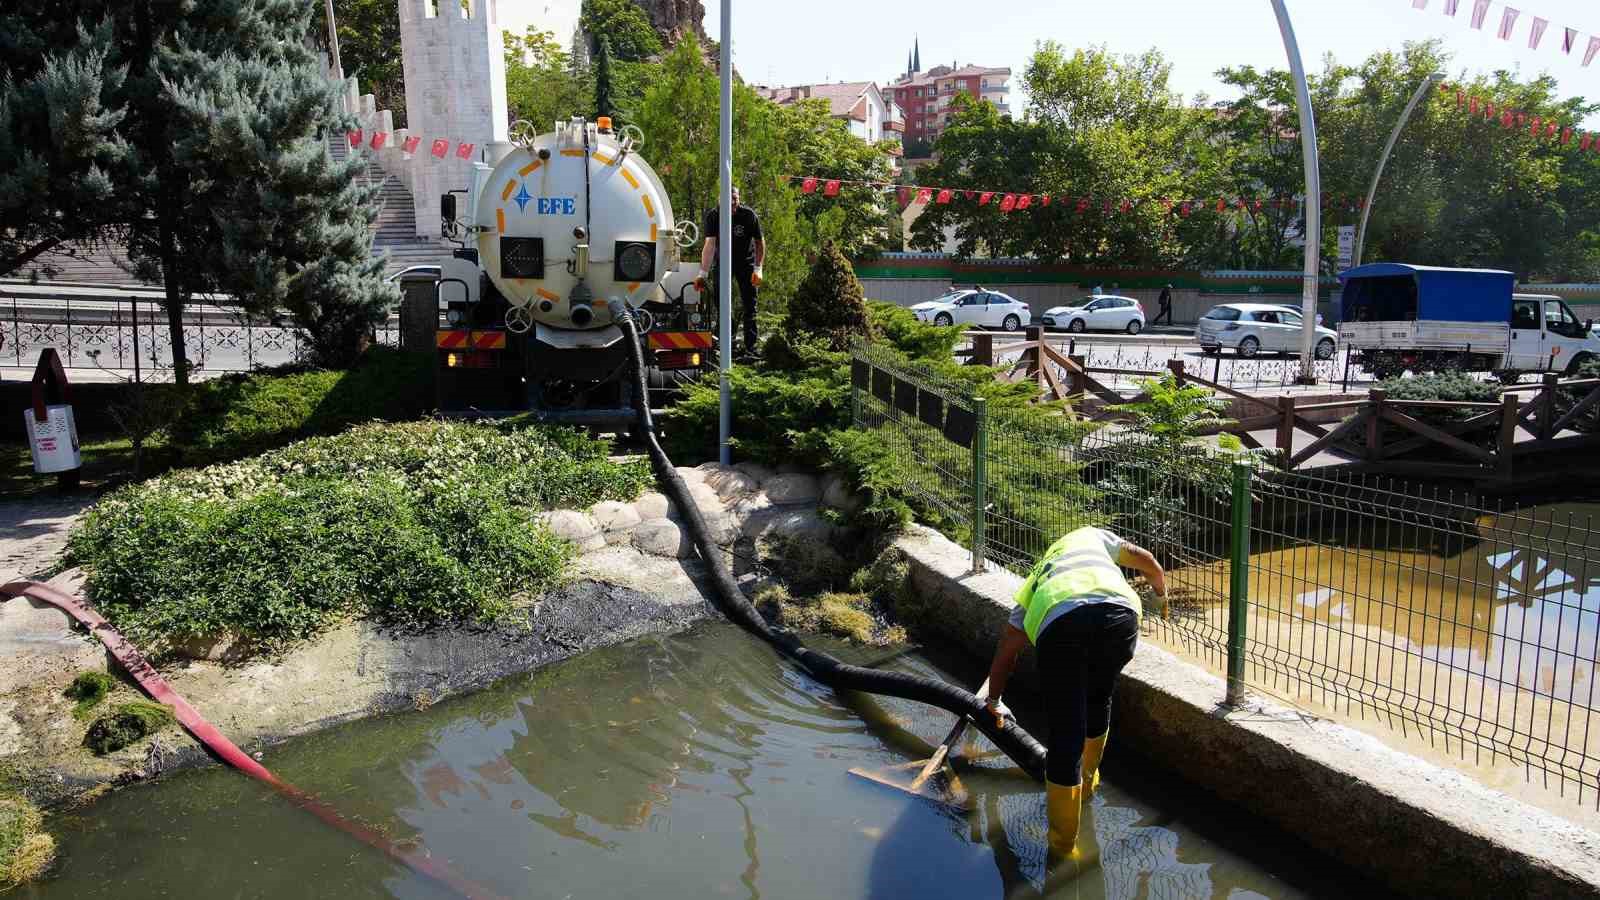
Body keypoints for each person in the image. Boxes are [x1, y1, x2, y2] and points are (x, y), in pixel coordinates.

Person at [981, 525, 1167, 859]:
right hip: (1120, 618)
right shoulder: (1093, 537)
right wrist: (1160, 595)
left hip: (1062, 629)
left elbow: (1007, 651)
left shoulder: (1037, 582)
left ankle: (1063, 847)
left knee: (1066, 733)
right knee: (1100, 697)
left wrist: (993, 700)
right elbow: (1149, 562)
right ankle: (1088, 785)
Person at [698, 187, 765, 355]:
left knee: (750, 305)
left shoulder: (748, 215)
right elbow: (710, 245)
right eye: (729, 199)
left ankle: (751, 347)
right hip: (723, 263)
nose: (732, 202)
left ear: (738, 199)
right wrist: (702, 274)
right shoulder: (714, 216)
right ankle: (726, 343)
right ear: (720, 200)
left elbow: (759, 242)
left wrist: (758, 268)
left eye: (735, 198)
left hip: (746, 263)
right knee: (721, 303)